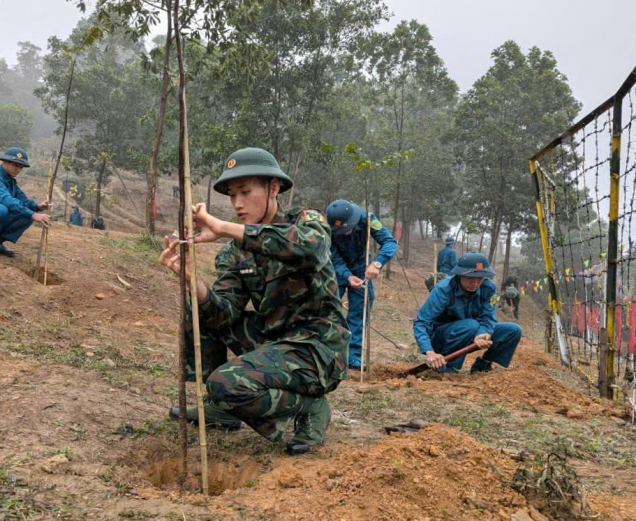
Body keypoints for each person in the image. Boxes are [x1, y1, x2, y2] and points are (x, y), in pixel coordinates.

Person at [159, 147, 349, 455]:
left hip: (316, 350)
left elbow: (310, 249)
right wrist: (193, 281)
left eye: (245, 192)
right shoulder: (234, 253)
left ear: (274, 188)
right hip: (274, 342)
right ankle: (221, 407)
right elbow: (223, 314)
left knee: (226, 382)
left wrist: (222, 228)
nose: (237, 204)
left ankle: (310, 406)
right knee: (197, 309)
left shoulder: (306, 222)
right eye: (232, 195)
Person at [413, 252, 521, 374]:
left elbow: (488, 317)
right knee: (471, 325)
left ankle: (483, 365)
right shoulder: (443, 289)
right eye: (470, 278)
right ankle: (447, 368)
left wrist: (483, 333)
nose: (475, 283)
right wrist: (429, 351)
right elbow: (421, 322)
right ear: (460, 275)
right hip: (442, 339)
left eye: (479, 279)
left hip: (471, 333)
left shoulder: (490, 288)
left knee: (513, 330)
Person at [325, 200, 397, 369]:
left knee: (359, 311)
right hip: (337, 270)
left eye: (346, 229)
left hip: (362, 268)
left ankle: (353, 355)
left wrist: (377, 263)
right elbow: (333, 257)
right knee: (329, 310)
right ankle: (328, 354)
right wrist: (347, 276)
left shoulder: (367, 219)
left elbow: (389, 242)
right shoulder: (326, 228)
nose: (344, 233)